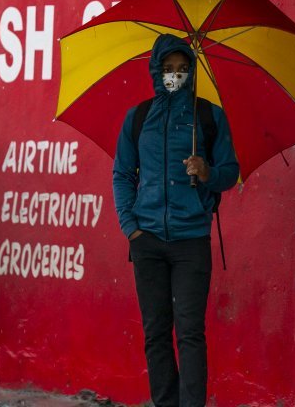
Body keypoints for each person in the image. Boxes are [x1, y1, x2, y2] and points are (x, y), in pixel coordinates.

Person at [113, 34, 239, 407]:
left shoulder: (209, 117)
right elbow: (122, 174)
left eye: (182, 69)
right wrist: (130, 228)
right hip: (147, 239)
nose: (174, 76)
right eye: (168, 69)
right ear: (156, 71)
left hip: (191, 241)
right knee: (155, 332)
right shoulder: (137, 118)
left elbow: (230, 172)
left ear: (192, 72)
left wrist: (208, 172)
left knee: (189, 333)